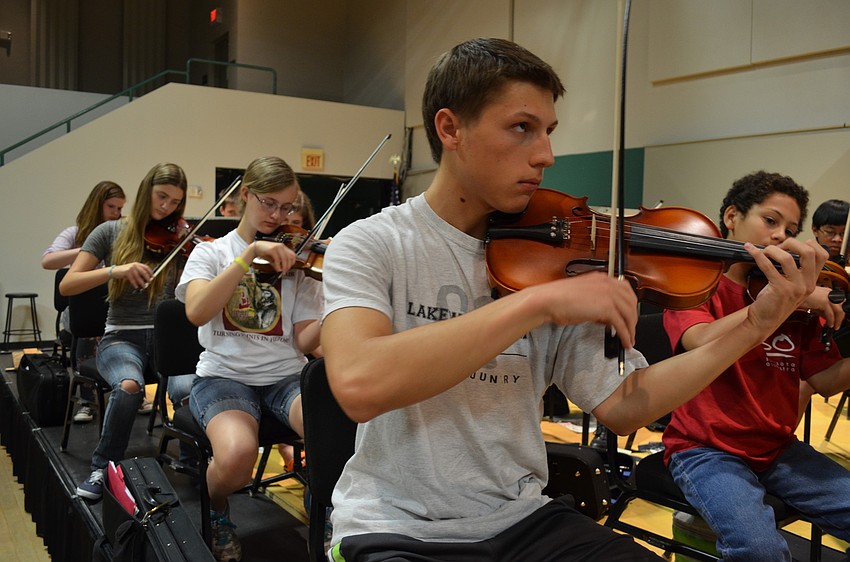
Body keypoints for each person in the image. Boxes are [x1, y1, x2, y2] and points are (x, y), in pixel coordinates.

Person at [318, 38, 828, 562]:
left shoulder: (556, 256)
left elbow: (627, 406)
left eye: (548, 132)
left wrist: (756, 324)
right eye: (522, 128)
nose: (546, 155)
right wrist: (538, 305)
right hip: (397, 527)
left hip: (522, 519)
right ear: (451, 129)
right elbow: (360, 384)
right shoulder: (375, 241)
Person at [662, 170, 850, 562]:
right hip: (705, 450)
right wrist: (781, 302)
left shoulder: (795, 300)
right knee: (760, 550)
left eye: (791, 228)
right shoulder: (694, 285)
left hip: (778, 449)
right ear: (732, 217)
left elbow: (825, 381)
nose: (781, 235)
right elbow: (699, 341)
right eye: (770, 221)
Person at [177, 156, 322, 562]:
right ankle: (219, 512)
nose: (279, 216)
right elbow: (197, 312)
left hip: (286, 376)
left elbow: (303, 337)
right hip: (224, 377)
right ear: (245, 196)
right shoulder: (212, 253)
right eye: (269, 203)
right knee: (238, 457)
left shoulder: (298, 260)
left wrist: (336, 308)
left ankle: (322, 507)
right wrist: (248, 255)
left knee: (331, 433)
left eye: (288, 206)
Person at [60, 162, 188, 502]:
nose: (166, 207)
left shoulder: (180, 237)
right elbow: (69, 284)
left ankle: (192, 460)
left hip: (168, 340)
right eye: (161, 197)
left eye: (175, 202)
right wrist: (114, 270)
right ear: (146, 190)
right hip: (122, 338)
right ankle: (103, 467)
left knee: (189, 387)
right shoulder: (110, 232)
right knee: (129, 386)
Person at [42, 181, 127, 423]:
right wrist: (85, 251)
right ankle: (87, 400)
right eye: (111, 207)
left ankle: (129, 388)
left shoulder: (121, 232)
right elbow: (48, 261)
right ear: (96, 205)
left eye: (120, 208)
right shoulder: (74, 232)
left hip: (112, 309)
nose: (117, 214)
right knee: (89, 323)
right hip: (82, 313)